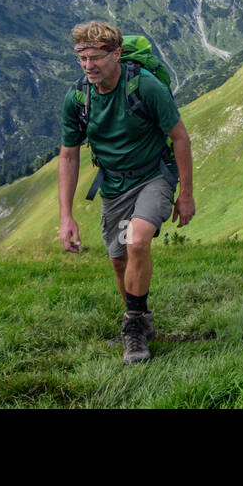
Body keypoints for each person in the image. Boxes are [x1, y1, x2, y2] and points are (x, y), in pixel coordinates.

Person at [57, 21, 195, 365]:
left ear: (116, 54)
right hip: (113, 185)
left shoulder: (146, 88)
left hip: (154, 177)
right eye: (83, 59)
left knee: (136, 240)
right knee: (119, 259)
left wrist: (187, 194)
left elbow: (180, 137)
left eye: (96, 58)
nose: (89, 66)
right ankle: (141, 320)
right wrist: (66, 215)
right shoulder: (78, 98)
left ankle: (131, 329)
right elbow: (69, 154)